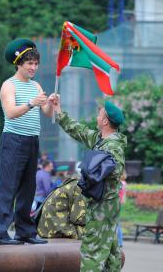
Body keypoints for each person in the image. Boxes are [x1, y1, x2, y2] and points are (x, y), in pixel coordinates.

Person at [51, 96, 127, 271]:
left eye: (99, 115)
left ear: (105, 121)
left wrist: (92, 172)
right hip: (105, 206)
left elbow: (116, 171)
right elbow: (79, 131)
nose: (97, 118)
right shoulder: (101, 140)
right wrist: (58, 111)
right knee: (111, 250)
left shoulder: (112, 145)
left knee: (92, 251)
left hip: (103, 206)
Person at [0, 38, 55, 245]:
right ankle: (1, 232)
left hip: (31, 140)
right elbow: (10, 113)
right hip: (13, 140)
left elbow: (45, 112)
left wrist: (52, 103)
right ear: (18, 64)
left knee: (28, 187)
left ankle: (24, 231)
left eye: (36, 63)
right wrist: (31, 103)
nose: (33, 67)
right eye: (29, 63)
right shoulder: (9, 86)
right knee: (8, 186)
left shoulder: (36, 85)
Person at [37, 175, 86, 239]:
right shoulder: (79, 187)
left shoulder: (72, 183)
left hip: (45, 229)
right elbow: (78, 218)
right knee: (93, 231)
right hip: (56, 229)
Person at [117, 171, 127, 247]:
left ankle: (119, 242)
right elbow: (124, 196)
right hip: (119, 204)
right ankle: (120, 242)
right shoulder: (124, 183)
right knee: (117, 223)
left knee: (116, 223)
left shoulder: (119, 183)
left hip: (115, 204)